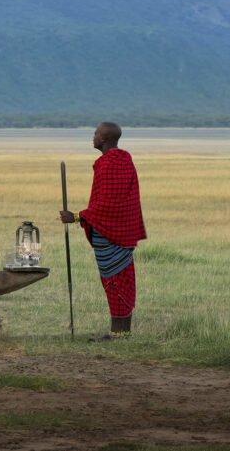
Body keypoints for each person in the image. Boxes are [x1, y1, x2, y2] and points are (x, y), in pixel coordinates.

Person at [59, 121, 146, 340]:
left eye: (96, 133)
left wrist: (77, 216)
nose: (93, 136)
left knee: (115, 282)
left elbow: (108, 205)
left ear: (105, 138)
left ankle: (118, 334)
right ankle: (123, 332)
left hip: (112, 234)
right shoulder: (123, 161)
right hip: (121, 232)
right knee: (121, 281)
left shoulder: (110, 165)